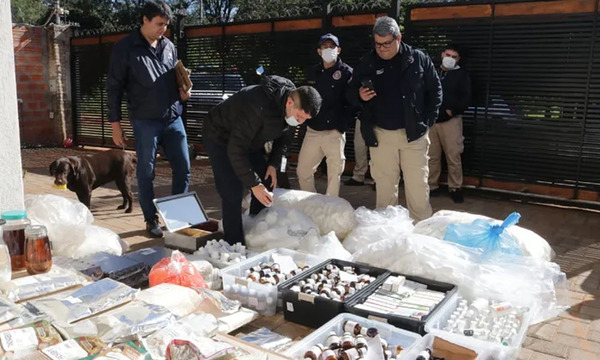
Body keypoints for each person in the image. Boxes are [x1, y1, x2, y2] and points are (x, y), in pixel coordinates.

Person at [107, 1, 192, 238]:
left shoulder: (169, 46)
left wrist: (183, 90)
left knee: (184, 168)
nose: (162, 29)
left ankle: (176, 218)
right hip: (145, 121)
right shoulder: (125, 48)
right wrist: (116, 125)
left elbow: (174, 77)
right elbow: (113, 88)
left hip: (173, 118)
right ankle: (150, 219)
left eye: (166, 25)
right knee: (146, 171)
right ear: (144, 19)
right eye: (159, 24)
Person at [203, 75, 321, 245]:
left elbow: (284, 141)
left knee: (266, 179)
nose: (300, 123)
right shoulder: (256, 105)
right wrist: (253, 185)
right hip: (220, 137)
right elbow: (236, 150)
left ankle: (256, 228)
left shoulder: (291, 109)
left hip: (250, 139)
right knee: (232, 191)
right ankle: (234, 243)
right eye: (299, 117)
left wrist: (273, 164)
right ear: (289, 102)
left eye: (305, 120)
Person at [348, 16, 442, 221]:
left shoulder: (418, 58)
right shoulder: (367, 62)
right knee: (384, 188)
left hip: (414, 134)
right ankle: (388, 232)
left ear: (399, 38)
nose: (382, 49)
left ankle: (422, 231)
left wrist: (428, 122)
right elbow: (350, 93)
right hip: (381, 135)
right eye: (378, 44)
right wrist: (359, 96)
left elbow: (435, 90)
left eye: (387, 43)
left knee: (417, 186)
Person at [297, 33, 356, 197]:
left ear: (339, 50)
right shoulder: (313, 72)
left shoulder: (347, 73)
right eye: (325, 46)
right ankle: (311, 204)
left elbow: (353, 103)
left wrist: (341, 127)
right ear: (319, 51)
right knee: (303, 171)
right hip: (314, 130)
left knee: (334, 175)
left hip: (334, 131)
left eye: (332, 46)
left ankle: (330, 209)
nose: (328, 49)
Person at [428, 44, 472, 203]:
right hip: (432, 121)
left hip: (451, 122)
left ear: (458, 59)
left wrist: (451, 111)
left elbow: (466, 98)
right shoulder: (432, 71)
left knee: (453, 155)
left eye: (454, 57)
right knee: (432, 156)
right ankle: (432, 185)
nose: (450, 59)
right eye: (448, 55)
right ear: (442, 54)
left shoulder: (461, 75)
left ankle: (455, 188)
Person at [344, 119, 370, 187]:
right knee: (359, 146)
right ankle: (358, 176)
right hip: (362, 115)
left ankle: (378, 179)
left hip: (378, 116)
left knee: (377, 150)